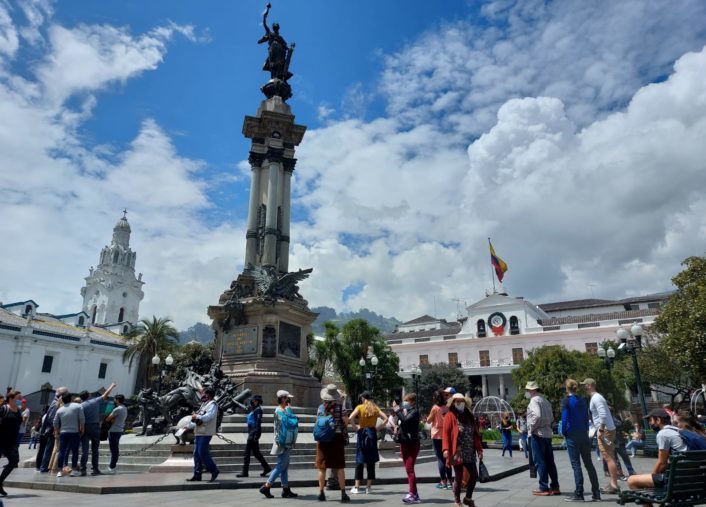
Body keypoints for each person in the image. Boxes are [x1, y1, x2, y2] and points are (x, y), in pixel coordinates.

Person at [627, 408, 688, 506]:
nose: (650, 423)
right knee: (646, 478)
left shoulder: (663, 434)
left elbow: (661, 463)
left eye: (651, 420)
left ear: (658, 420)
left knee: (632, 480)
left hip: (676, 479)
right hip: (691, 478)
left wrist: (652, 476)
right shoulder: (679, 431)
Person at [560, 379, 601, 502]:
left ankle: (579, 493)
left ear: (567, 389)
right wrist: (585, 430)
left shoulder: (566, 401)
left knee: (576, 465)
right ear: (576, 388)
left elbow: (565, 418)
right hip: (583, 434)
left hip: (572, 435)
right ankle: (596, 493)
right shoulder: (583, 401)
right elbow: (586, 417)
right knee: (589, 464)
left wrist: (564, 431)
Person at [442, 393, 483, 507]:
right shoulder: (450, 415)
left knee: (474, 475)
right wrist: (445, 449)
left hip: (470, 450)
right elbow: (445, 434)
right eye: (457, 401)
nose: (459, 403)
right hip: (457, 451)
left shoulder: (469, 415)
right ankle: (457, 501)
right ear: (453, 403)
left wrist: (479, 449)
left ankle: (468, 498)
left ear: (465, 403)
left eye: (461, 401)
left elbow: (475, 434)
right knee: (459, 477)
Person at [580, 378, 619, 495]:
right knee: (610, 456)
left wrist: (600, 429)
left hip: (604, 430)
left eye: (585, 385)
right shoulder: (597, 397)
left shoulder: (596, 398)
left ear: (590, 385)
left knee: (608, 457)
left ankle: (614, 485)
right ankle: (613, 483)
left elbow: (603, 414)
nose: (583, 387)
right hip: (607, 429)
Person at [315, 384, 350, 503]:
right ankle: (343, 493)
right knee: (339, 467)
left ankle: (321, 493)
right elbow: (346, 421)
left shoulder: (320, 408)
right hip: (337, 438)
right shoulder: (341, 407)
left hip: (323, 439)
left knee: (322, 467)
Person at [260, 390, 298, 499]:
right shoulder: (280, 411)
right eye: (287, 398)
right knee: (281, 465)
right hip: (282, 442)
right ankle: (266, 486)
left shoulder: (283, 410)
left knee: (284, 466)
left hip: (285, 441)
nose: (289, 400)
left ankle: (285, 489)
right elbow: (291, 423)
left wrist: (290, 413)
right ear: (282, 399)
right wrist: (291, 412)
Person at [348, 391, 387, 495]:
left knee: (359, 459)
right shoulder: (375, 408)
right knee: (371, 460)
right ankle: (368, 487)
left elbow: (350, 418)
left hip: (362, 433)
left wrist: (356, 428)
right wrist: (377, 428)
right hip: (371, 433)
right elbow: (386, 419)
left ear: (363, 398)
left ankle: (356, 487)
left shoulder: (360, 407)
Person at [526, 381, 561, 496]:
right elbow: (551, 417)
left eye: (528, 390)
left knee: (540, 461)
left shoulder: (534, 400)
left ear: (532, 391)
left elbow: (537, 415)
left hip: (538, 434)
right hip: (547, 434)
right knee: (550, 461)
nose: (527, 393)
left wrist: (532, 427)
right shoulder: (546, 401)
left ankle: (543, 487)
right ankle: (555, 486)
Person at [80, 382, 116, 476]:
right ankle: (95, 469)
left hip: (84, 427)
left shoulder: (81, 406)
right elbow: (106, 394)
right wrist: (112, 385)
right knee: (95, 449)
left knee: (85, 450)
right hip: (95, 427)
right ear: (88, 395)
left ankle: (83, 469)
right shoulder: (95, 401)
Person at [186, 387, 220, 482]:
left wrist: (196, 416)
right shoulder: (204, 405)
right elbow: (198, 420)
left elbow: (208, 417)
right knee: (196, 454)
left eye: (203, 393)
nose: (201, 395)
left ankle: (214, 470)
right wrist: (189, 426)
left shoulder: (213, 404)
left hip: (206, 432)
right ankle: (197, 474)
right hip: (199, 432)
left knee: (202, 452)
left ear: (208, 394)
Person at [395, 393, 421, 504]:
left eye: (407, 401)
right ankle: (414, 493)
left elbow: (405, 421)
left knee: (410, 468)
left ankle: (412, 494)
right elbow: (402, 423)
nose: (405, 403)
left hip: (412, 443)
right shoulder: (406, 411)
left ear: (413, 402)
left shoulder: (414, 412)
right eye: (404, 400)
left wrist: (397, 411)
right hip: (404, 442)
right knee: (407, 468)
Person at [237, 394, 271, 478]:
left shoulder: (258, 410)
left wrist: (256, 434)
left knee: (247, 453)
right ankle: (267, 468)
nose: (252, 401)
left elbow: (258, 423)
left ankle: (245, 472)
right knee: (256, 453)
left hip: (253, 433)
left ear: (257, 401)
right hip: (251, 432)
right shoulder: (254, 409)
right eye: (252, 400)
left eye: (254, 400)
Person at [53, 391, 85, 477]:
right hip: (74, 432)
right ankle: (74, 470)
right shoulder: (78, 406)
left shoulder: (60, 409)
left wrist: (57, 430)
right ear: (71, 399)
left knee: (61, 451)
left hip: (63, 433)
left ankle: (60, 471)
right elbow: (82, 418)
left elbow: (55, 422)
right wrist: (82, 428)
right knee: (75, 451)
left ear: (62, 400)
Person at [427, 389, 453, 489]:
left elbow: (429, 421)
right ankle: (450, 481)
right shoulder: (447, 408)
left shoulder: (435, 408)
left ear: (435, 398)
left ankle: (443, 481)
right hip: (446, 435)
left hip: (437, 435)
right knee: (447, 458)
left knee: (440, 459)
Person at [39, 386, 68, 473]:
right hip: (53, 430)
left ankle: (45, 467)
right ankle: (44, 467)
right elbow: (52, 418)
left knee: (51, 449)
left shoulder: (56, 402)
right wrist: (56, 428)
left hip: (53, 429)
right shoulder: (56, 403)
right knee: (50, 449)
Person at [0, 390, 22, 497]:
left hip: (11, 442)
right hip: (0, 441)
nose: (20, 400)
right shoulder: (3, 409)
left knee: (14, 461)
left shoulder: (18, 411)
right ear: (11, 398)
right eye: (18, 398)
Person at [104, 393, 127, 474]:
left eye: (114, 399)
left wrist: (108, 416)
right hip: (119, 430)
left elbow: (108, 419)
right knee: (115, 449)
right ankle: (112, 466)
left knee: (113, 449)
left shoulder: (117, 409)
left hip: (114, 430)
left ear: (117, 400)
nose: (114, 400)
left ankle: (112, 467)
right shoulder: (124, 408)